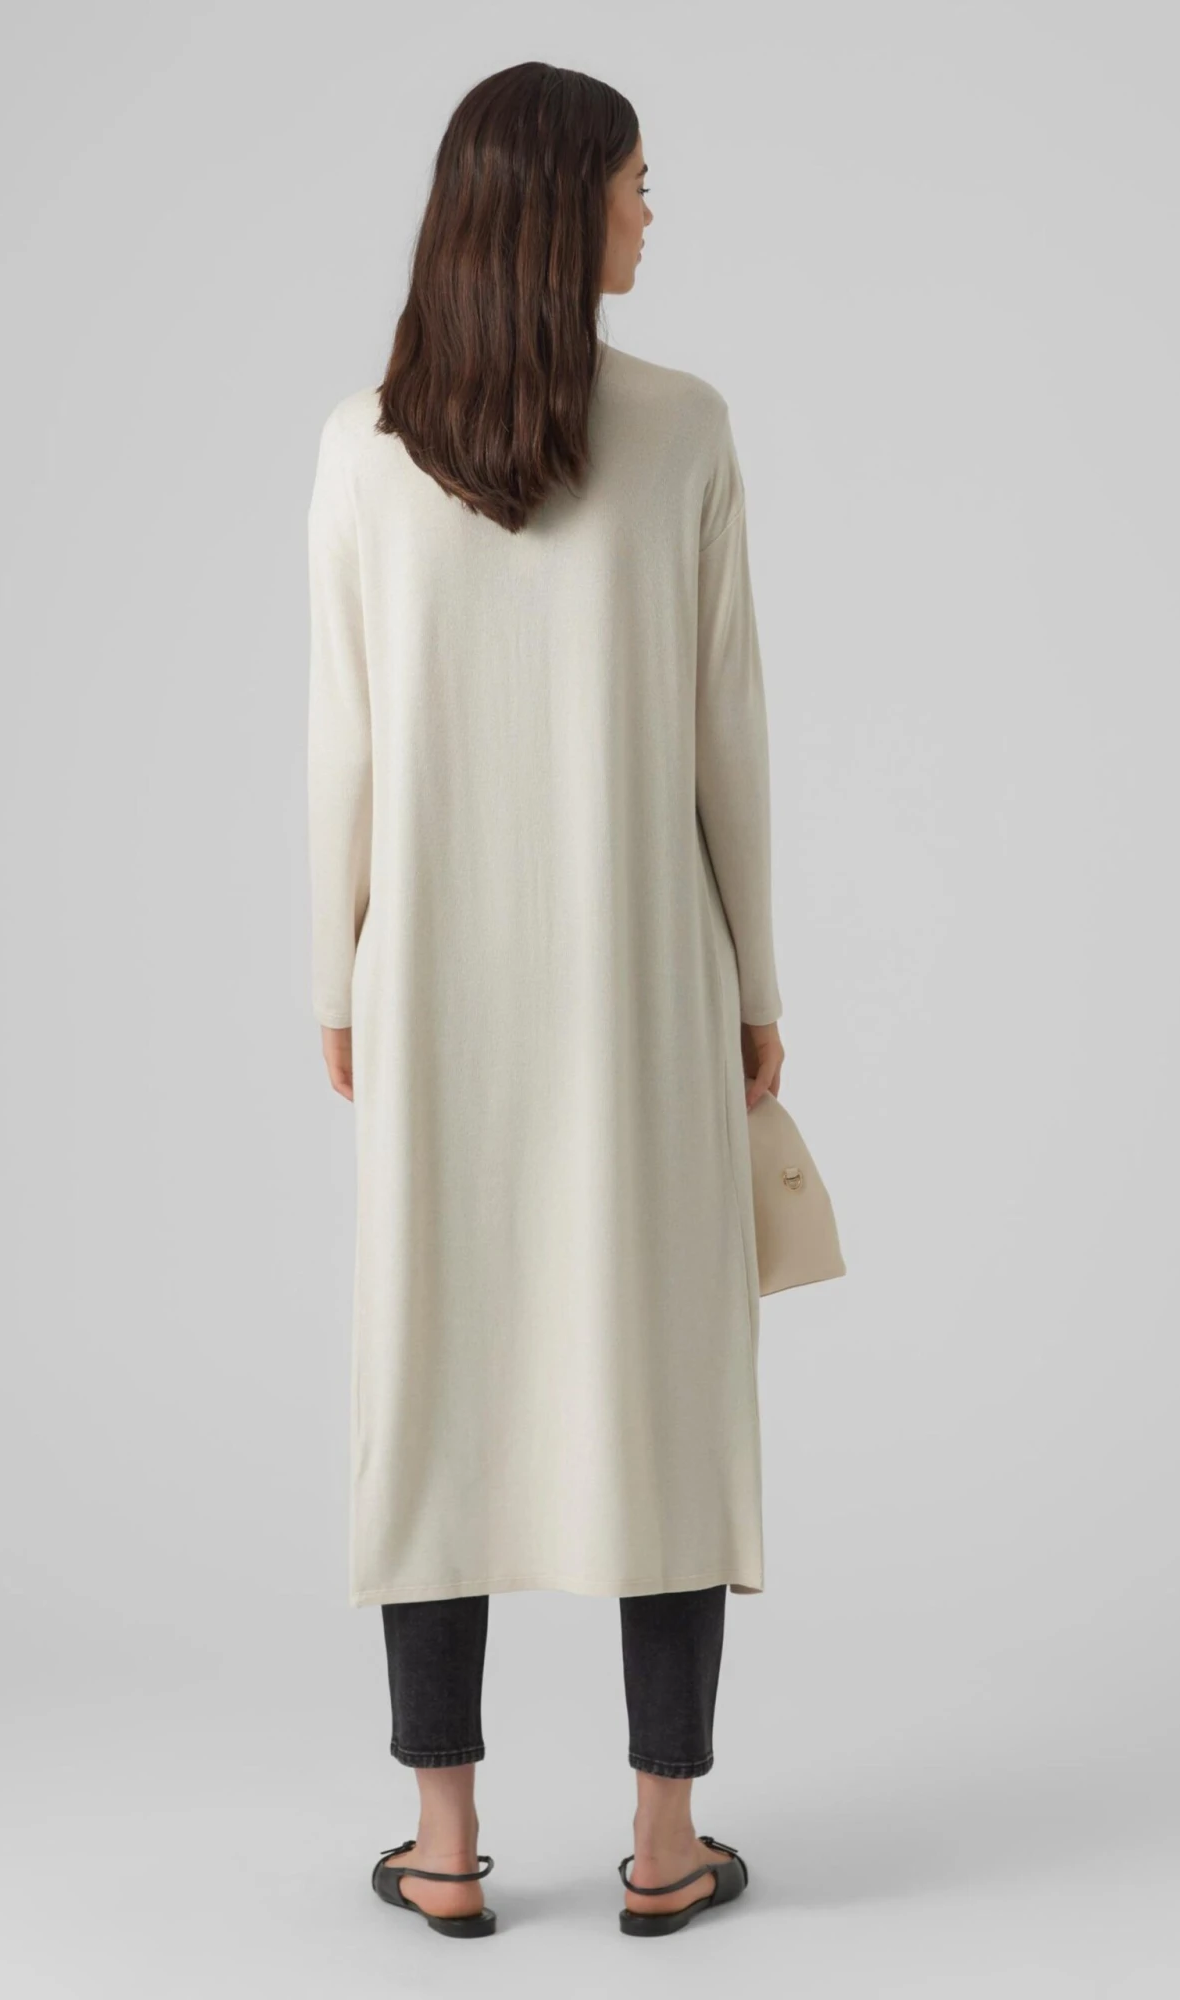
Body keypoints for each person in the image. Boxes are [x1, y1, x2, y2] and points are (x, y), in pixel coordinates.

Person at [307, 61, 783, 1940]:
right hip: (647, 975)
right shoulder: (686, 428)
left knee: (431, 1374)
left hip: (429, 979)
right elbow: (729, 743)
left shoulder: (363, 444)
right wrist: (758, 981)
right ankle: (666, 1846)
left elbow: (340, 749)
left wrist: (333, 969)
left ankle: (443, 1847)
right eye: (638, 182)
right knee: (660, 1378)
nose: (655, 211)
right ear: (567, 203)